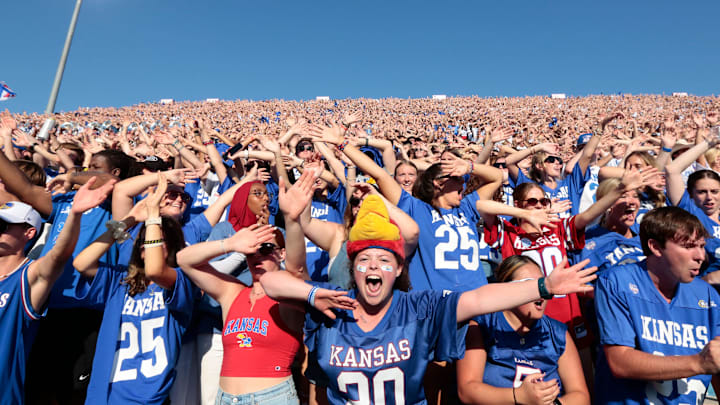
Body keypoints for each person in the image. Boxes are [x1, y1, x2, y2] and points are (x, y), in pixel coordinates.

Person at [259, 194, 597, 405]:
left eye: (384, 260)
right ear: (353, 266)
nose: (374, 267)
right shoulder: (333, 304)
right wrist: (313, 293)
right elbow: (272, 282)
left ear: (399, 268)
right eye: (364, 260)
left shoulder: (420, 306)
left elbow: (479, 298)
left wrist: (541, 286)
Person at [176, 171, 318, 405]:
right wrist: (231, 244)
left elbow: (298, 269)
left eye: (265, 249)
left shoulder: (287, 297)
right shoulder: (233, 293)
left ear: (281, 253)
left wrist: (292, 221)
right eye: (252, 251)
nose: (256, 255)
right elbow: (184, 260)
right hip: (226, 398)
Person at [71, 174, 196, 405]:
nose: (148, 245)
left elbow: (156, 270)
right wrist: (129, 220)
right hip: (104, 396)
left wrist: (153, 219)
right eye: (144, 242)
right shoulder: (119, 282)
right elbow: (81, 263)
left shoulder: (181, 283)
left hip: (148, 397)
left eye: (159, 240)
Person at [0, 178, 115, 404]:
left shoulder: (27, 276)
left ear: (29, 233)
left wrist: (74, 214)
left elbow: (58, 256)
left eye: (2, 227)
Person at [594, 206, 720, 404]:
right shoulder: (618, 282)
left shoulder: (707, 295)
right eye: (688, 246)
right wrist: (698, 363)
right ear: (655, 246)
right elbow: (620, 361)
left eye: (702, 246)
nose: (700, 256)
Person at [456, 255, 590, 405]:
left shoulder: (557, 333)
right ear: (507, 288)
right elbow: (467, 390)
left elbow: (580, 395)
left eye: (543, 284)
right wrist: (518, 396)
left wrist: (554, 404)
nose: (540, 292)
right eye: (530, 285)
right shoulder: (482, 324)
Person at [580, 178, 646, 273]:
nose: (632, 202)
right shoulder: (592, 241)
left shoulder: (646, 232)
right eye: (623, 196)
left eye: (635, 196)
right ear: (607, 204)